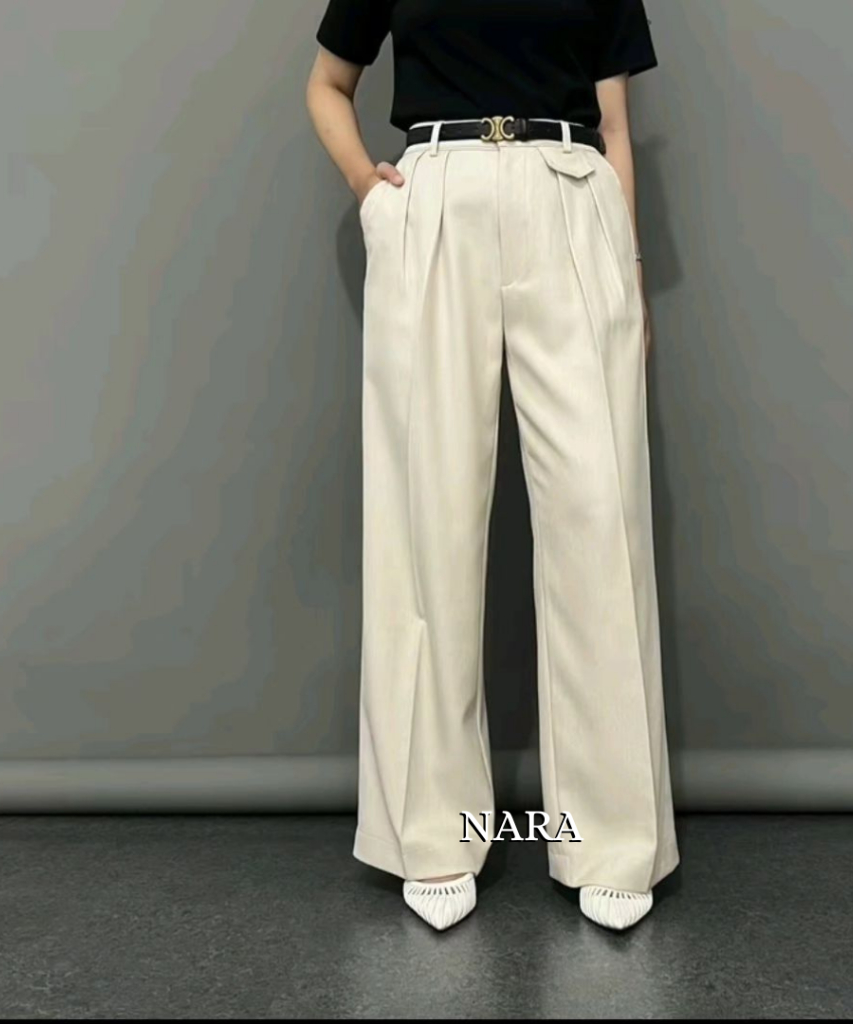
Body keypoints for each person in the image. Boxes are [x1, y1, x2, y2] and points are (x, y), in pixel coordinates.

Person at [305, 0, 679, 932]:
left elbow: (616, 125)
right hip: (435, 199)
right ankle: (432, 831)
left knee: (599, 520)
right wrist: (370, 190)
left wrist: (630, 270)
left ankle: (612, 838)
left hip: (571, 194)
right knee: (426, 518)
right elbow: (327, 84)